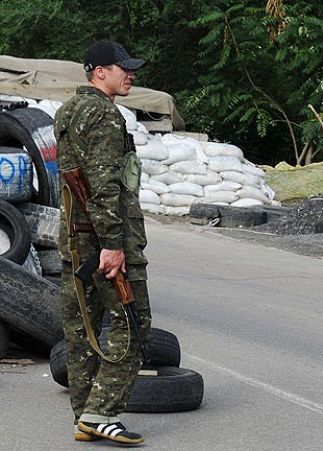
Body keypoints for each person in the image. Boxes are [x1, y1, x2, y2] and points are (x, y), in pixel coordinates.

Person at [54, 40, 151, 445]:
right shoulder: (104, 115)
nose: (130, 74)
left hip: (75, 240)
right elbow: (104, 187)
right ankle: (102, 412)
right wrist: (113, 245)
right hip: (105, 242)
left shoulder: (67, 111)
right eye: (122, 68)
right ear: (99, 72)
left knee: (82, 331)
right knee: (133, 326)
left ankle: (85, 416)